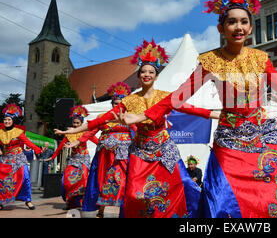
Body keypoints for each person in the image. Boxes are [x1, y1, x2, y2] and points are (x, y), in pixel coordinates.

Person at [118, 0, 277, 218]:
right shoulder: (210, 62)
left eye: (243, 22)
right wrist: (143, 115)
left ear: (250, 28)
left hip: (263, 136)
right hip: (229, 141)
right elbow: (177, 97)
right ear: (221, 28)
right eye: (232, 22)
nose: (238, 27)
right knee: (221, 204)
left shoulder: (260, 59)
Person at [55, 39, 219, 218]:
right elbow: (102, 119)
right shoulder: (129, 101)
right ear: (139, 75)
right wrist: (75, 131)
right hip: (139, 151)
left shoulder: (164, 97)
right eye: (143, 72)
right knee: (134, 194)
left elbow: (190, 108)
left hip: (164, 148)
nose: (147, 75)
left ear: (157, 76)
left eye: (151, 72)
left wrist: (217, 114)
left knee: (185, 184)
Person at [67, 82, 135, 218]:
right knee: (100, 181)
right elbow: (91, 131)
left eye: (120, 103)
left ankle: (126, 211)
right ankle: (100, 208)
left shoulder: (130, 117)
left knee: (122, 181)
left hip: (122, 155)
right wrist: (77, 140)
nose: (118, 106)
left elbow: (138, 131)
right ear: (112, 104)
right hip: (104, 154)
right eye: (115, 103)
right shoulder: (103, 117)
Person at [47, 105, 98, 210]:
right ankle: (70, 203)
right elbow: (60, 147)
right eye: (74, 123)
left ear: (81, 123)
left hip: (84, 158)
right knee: (67, 180)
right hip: (73, 159)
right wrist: (52, 157)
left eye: (77, 123)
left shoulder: (86, 133)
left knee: (83, 179)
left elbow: (98, 142)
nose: (75, 125)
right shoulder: (69, 135)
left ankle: (83, 202)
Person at [0, 104, 42, 210]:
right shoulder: (0, 132)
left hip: (19, 159)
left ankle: (28, 200)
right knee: (3, 180)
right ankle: (1, 201)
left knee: (25, 178)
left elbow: (28, 143)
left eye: (9, 119)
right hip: (6, 159)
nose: (7, 121)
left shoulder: (18, 132)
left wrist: (39, 150)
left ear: (13, 120)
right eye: (5, 119)